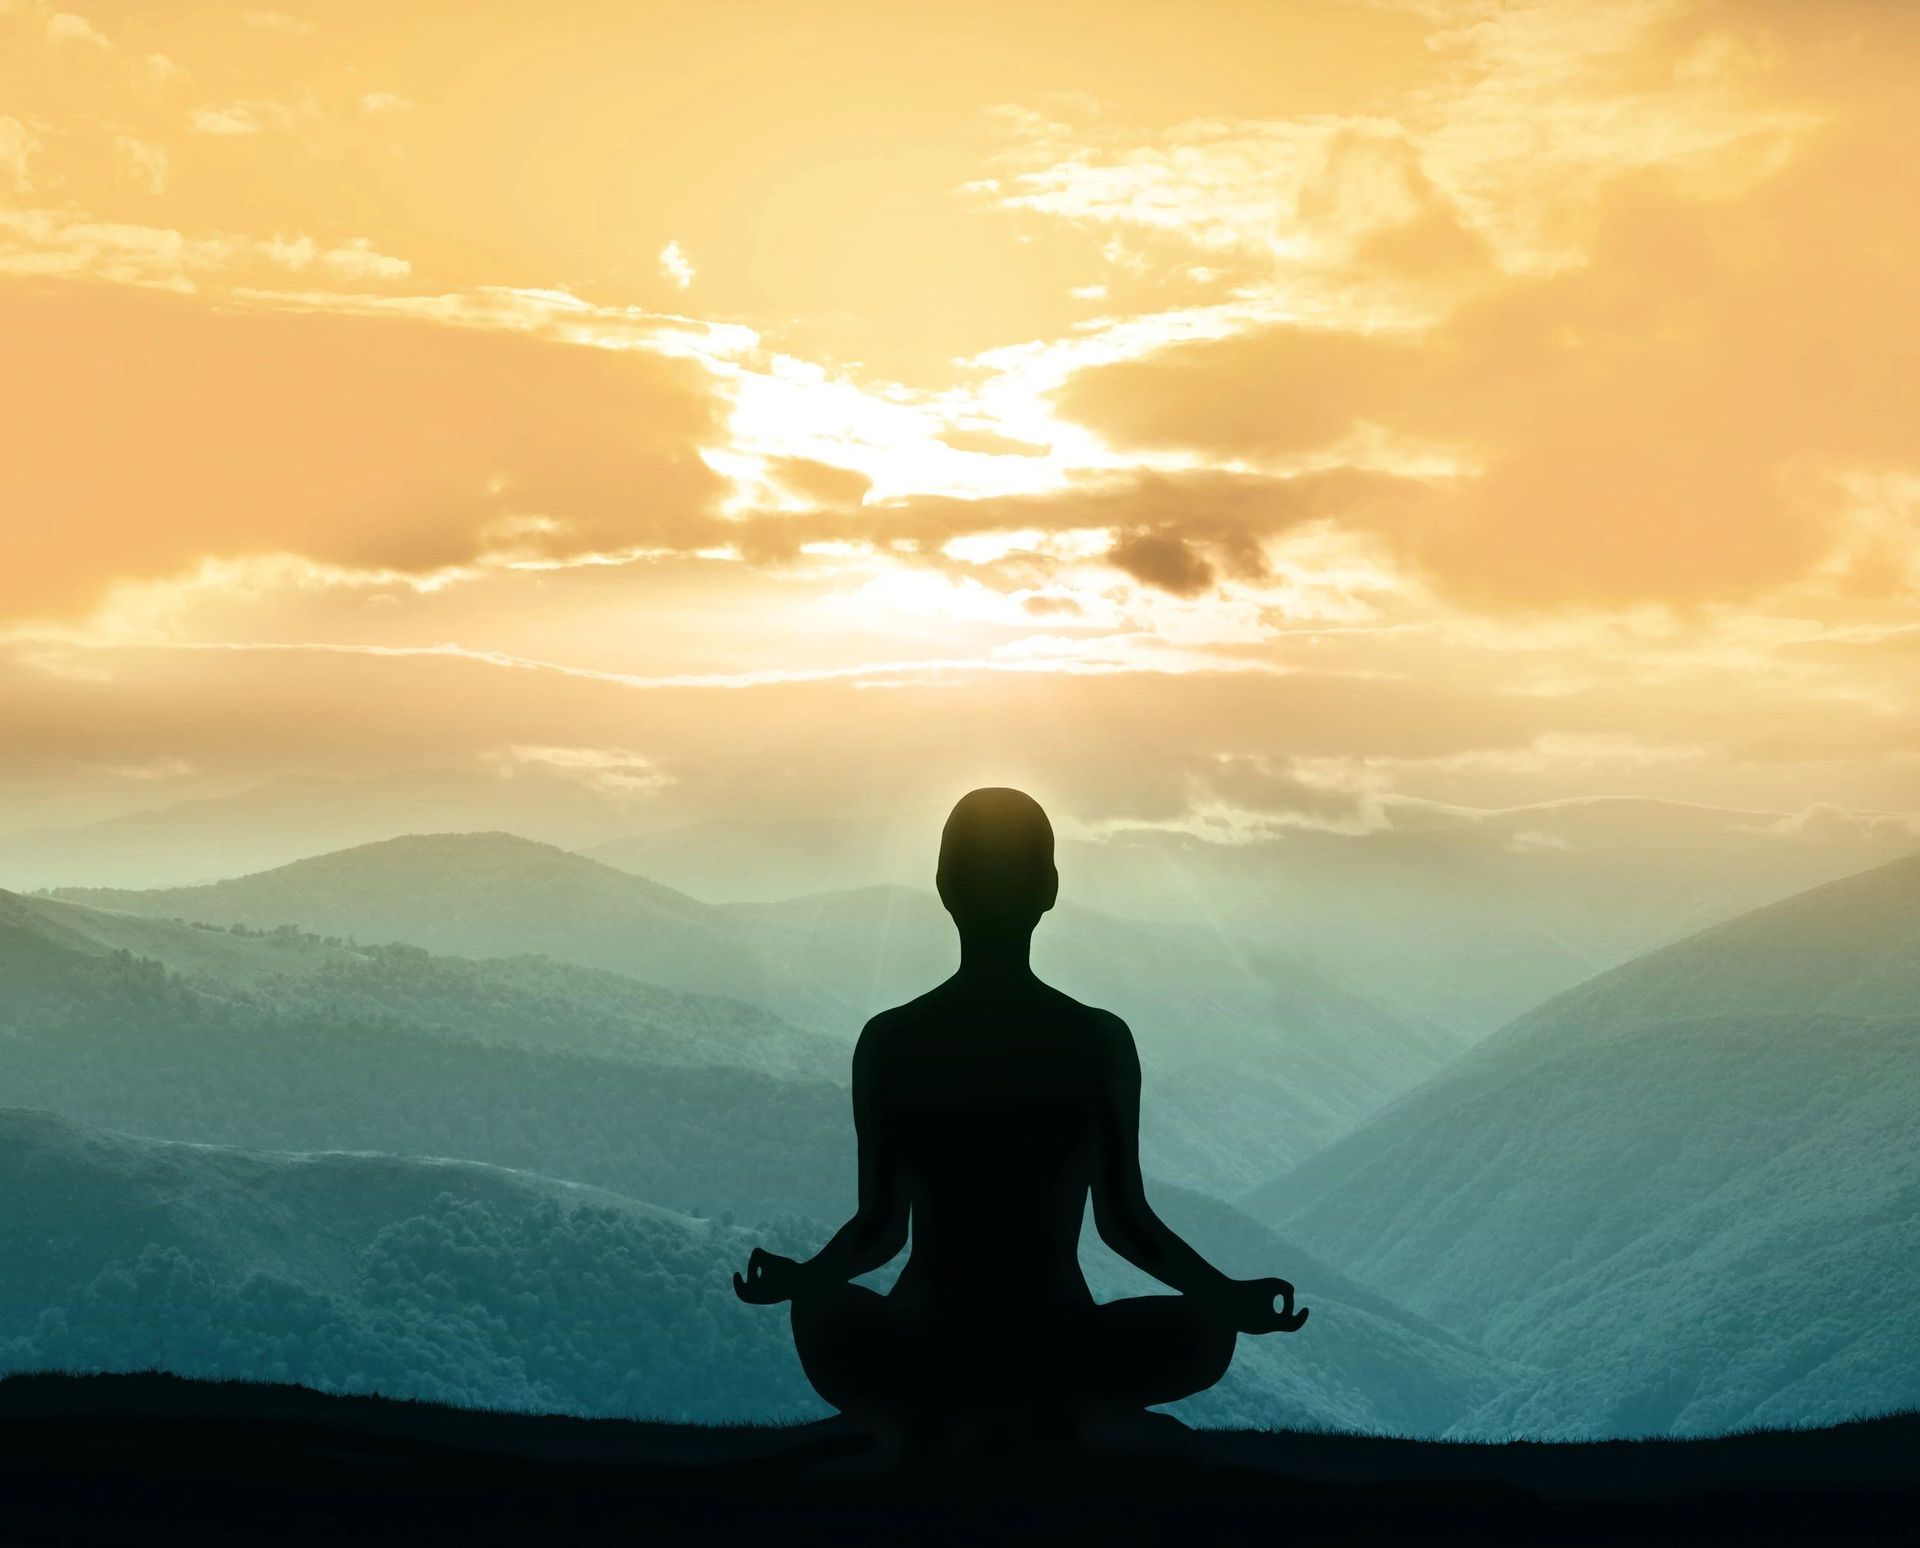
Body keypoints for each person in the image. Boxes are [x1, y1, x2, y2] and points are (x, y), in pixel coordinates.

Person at [733, 787, 1307, 1445]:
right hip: (1059, 1340)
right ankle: (1052, 1408)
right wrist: (1226, 1298)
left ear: (946, 886)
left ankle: (943, 1411)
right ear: (1050, 888)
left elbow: (880, 1229)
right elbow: (1126, 1224)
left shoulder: (894, 1040)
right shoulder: (1098, 1041)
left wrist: (803, 1282)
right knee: (1202, 1329)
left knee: (822, 1311)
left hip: (924, 1344)